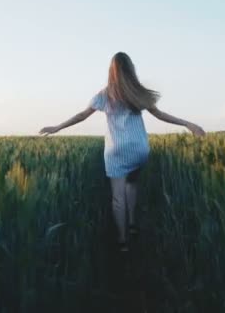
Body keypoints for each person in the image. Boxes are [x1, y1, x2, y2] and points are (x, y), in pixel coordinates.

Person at [39, 52, 205, 251]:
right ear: (130, 69)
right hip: (139, 148)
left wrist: (57, 127)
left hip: (116, 151)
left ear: (112, 71)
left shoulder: (105, 94)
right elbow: (160, 115)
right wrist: (188, 123)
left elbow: (82, 115)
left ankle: (122, 241)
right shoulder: (137, 92)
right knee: (132, 185)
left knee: (118, 197)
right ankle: (133, 223)